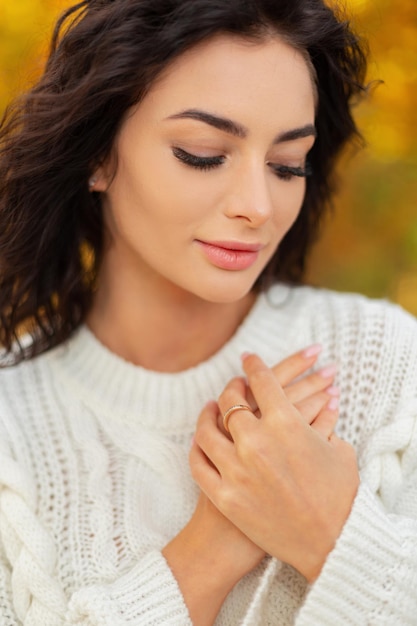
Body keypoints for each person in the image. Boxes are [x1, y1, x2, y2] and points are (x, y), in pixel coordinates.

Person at [0, 0, 416, 624]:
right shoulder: (11, 429)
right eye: (202, 153)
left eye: (286, 165)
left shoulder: (388, 362)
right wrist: (209, 551)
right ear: (97, 154)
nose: (258, 205)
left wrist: (329, 532)